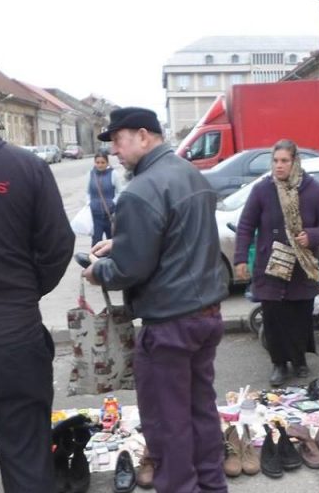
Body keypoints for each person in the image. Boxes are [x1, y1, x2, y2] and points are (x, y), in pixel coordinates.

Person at [82, 107, 228, 493]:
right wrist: (124, 242)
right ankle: (212, 485)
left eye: (118, 139)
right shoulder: (189, 174)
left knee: (168, 421)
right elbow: (179, 237)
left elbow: (130, 269)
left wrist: (100, 270)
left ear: (144, 136)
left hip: (169, 323)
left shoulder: (140, 190)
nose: (114, 149)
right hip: (205, 316)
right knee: (201, 411)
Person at [0, 100, 74, 492]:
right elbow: (57, 246)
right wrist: (25, 291)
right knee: (27, 461)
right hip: (14, 339)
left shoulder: (25, 166)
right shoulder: (26, 167)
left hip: (12, 327)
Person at [234, 139, 319, 386]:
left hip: (302, 268)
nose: (278, 166)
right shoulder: (262, 190)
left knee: (300, 316)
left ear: (295, 162)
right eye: (275, 161)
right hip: (270, 268)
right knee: (274, 318)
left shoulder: (313, 190)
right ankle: (279, 364)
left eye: (284, 161)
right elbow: (246, 225)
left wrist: (311, 236)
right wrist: (240, 259)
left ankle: (299, 359)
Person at [87, 148, 121, 246]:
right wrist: (90, 203)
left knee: (112, 243)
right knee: (96, 243)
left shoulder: (113, 174)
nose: (100, 165)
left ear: (107, 162)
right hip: (95, 216)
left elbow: (120, 192)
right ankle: (95, 261)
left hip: (110, 216)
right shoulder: (91, 174)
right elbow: (88, 192)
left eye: (103, 162)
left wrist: (113, 202)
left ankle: (113, 260)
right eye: (97, 162)